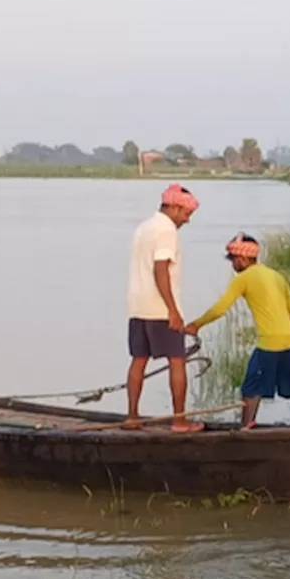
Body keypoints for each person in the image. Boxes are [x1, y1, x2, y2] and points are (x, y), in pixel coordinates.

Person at [185, 234, 290, 429]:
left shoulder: (243, 279)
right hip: (289, 341)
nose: (233, 265)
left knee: (251, 389)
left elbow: (220, 309)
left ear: (242, 259)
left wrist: (196, 324)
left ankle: (245, 429)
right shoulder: (276, 275)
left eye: (233, 260)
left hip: (268, 343)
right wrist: (287, 332)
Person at [126, 184, 203, 432]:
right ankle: (180, 421)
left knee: (139, 360)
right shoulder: (166, 230)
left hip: (138, 306)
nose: (186, 221)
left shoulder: (144, 227)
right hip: (160, 308)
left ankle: (132, 417)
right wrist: (173, 310)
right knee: (177, 361)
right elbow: (161, 270)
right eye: (185, 214)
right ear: (173, 207)